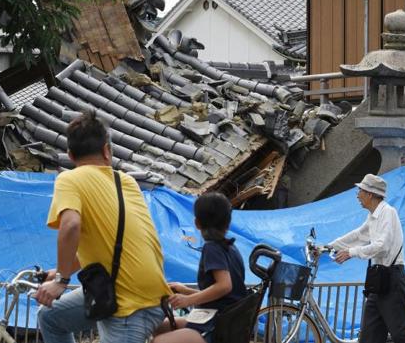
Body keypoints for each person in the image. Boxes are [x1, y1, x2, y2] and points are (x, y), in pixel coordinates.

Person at [34, 110, 171, 343]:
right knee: (50, 316)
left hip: (129, 304)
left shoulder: (69, 179)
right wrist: (58, 270)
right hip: (151, 291)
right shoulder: (125, 180)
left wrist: (61, 280)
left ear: (70, 155)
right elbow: (108, 242)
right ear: (107, 151)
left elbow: (70, 226)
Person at [329, 174, 405, 343]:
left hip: (392, 279)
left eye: (360, 190)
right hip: (379, 282)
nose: (357, 194)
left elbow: (381, 246)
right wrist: (329, 246)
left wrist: (351, 252)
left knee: (401, 335)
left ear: (370, 194)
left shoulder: (388, 213)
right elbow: (358, 235)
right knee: (369, 337)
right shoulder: (373, 216)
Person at [153, 192, 247, 343]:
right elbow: (223, 296)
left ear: (197, 223)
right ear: (228, 223)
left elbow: (224, 286)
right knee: (159, 327)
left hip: (215, 327)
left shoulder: (212, 248)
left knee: (159, 340)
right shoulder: (231, 248)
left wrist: (188, 300)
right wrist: (186, 290)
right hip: (224, 322)